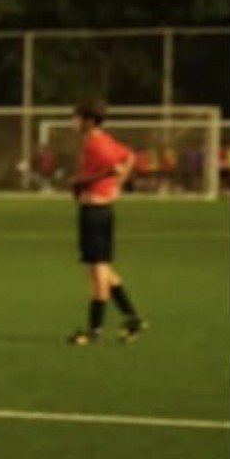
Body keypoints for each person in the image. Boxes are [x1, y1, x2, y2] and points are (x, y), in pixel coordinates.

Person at [66, 100, 146, 345]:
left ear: (89, 121)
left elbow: (113, 167)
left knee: (98, 270)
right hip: (99, 210)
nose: (73, 122)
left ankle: (95, 330)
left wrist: (83, 183)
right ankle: (132, 318)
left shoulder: (96, 144)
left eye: (76, 117)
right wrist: (115, 184)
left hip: (95, 211)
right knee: (103, 268)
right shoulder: (102, 140)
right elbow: (128, 157)